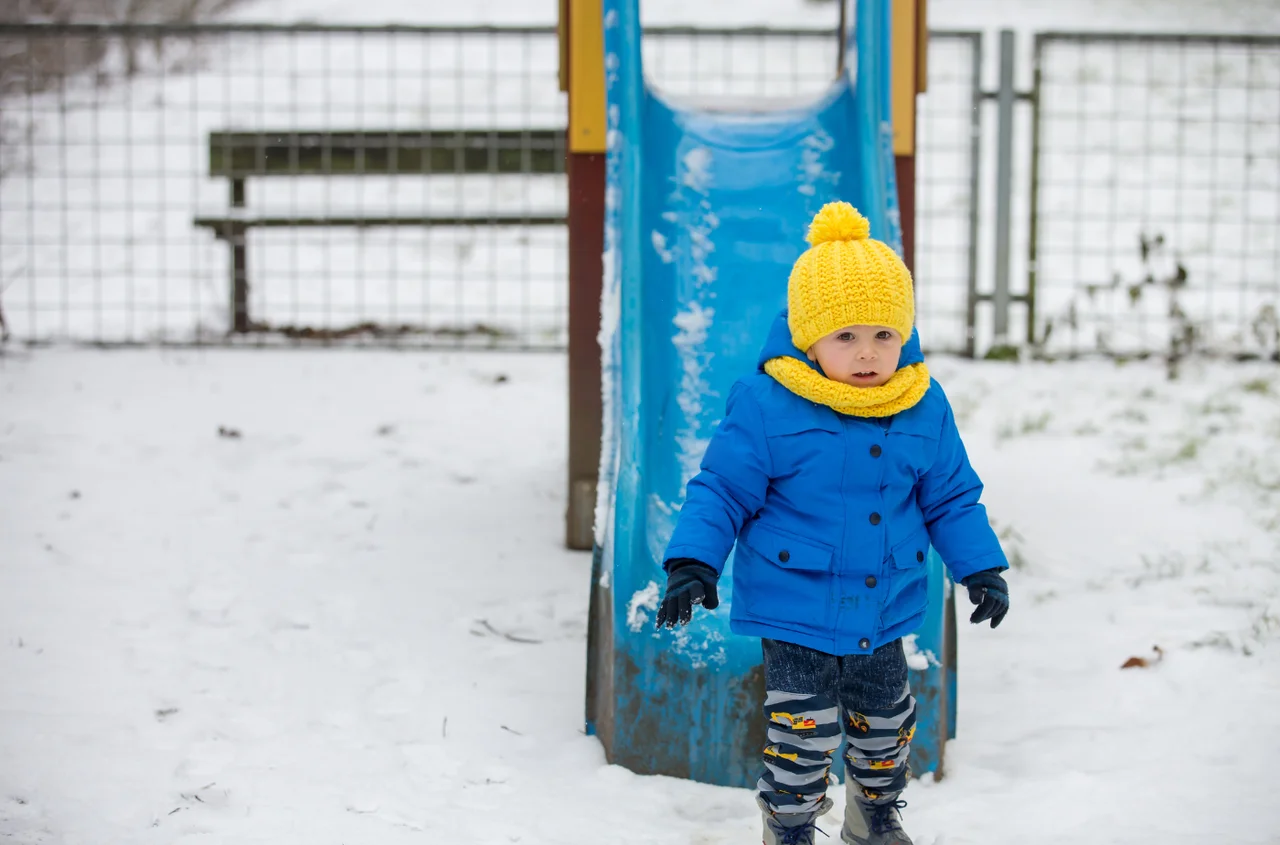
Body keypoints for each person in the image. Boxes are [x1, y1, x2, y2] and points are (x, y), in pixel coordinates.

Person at [654, 201, 1010, 845]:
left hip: (884, 605)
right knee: (803, 735)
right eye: (845, 336)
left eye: (884, 335)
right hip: (795, 605)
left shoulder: (922, 402)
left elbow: (951, 497)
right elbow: (723, 489)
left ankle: (872, 817)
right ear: (809, 338)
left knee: (886, 728)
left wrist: (980, 566)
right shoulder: (767, 403)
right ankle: (789, 826)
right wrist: (694, 561)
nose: (868, 353)